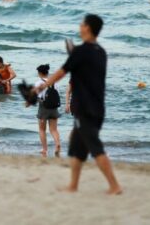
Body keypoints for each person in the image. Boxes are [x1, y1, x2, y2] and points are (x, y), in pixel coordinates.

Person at [35, 14, 122, 194]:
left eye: (82, 24)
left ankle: (114, 185)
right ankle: (73, 185)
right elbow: (86, 74)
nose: (80, 26)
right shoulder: (100, 52)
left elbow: (62, 72)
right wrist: (74, 55)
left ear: (88, 28)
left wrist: (44, 84)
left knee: (95, 147)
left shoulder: (81, 52)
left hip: (86, 108)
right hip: (98, 107)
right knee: (76, 147)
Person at [30, 64, 62, 157]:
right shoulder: (55, 82)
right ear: (47, 73)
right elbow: (58, 95)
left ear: (40, 73)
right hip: (54, 108)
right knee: (54, 129)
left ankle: (44, 149)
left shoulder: (38, 83)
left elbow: (36, 96)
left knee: (42, 129)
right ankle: (57, 145)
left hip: (43, 108)